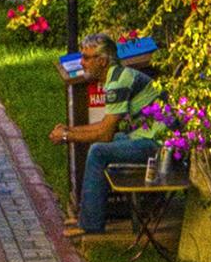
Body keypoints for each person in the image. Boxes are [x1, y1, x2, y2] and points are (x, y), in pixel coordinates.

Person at [61, 35, 167, 236]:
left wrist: (68, 136)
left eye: (86, 58)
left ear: (102, 61)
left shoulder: (119, 81)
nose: (81, 63)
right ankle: (87, 216)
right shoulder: (115, 77)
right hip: (143, 136)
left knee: (98, 151)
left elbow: (105, 133)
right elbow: (106, 127)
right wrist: (70, 130)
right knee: (102, 146)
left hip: (158, 144)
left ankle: (90, 224)